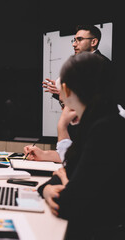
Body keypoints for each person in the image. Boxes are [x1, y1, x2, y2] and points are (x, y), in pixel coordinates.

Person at [39, 52, 125, 239]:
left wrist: (63, 179)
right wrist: (46, 189)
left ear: (67, 90)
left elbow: (69, 204)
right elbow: (65, 176)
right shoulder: (98, 121)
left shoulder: (105, 130)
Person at [25, 24, 111, 162]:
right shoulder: (83, 66)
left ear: (94, 42)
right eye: (74, 40)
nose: (74, 44)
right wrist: (61, 96)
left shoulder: (101, 66)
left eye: (79, 39)